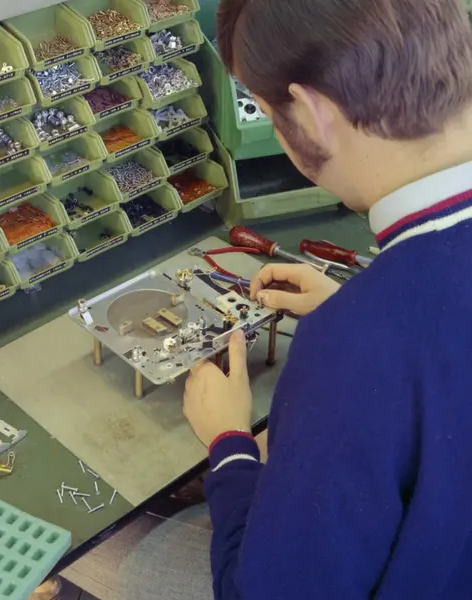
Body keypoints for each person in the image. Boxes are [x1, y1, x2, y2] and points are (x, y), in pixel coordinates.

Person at [183, 1, 472, 599]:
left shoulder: (356, 346)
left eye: (268, 114)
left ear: (311, 114)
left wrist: (229, 445)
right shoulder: (371, 330)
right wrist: (363, 306)